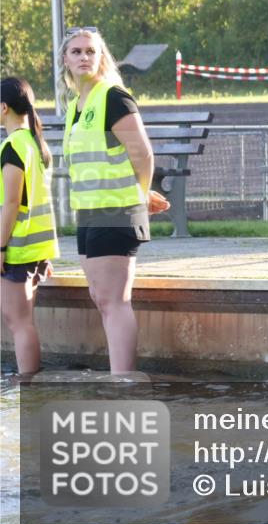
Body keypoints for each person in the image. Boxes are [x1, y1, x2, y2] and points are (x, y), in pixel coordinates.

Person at [58, 26, 169, 374]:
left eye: (91, 51)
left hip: (117, 211)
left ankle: (123, 381)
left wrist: (140, 195)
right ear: (65, 59)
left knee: (114, 301)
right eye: (76, 51)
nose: (84, 57)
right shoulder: (77, 105)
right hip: (89, 213)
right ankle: (118, 376)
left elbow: (142, 152)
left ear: (101, 56)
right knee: (101, 299)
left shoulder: (113, 97)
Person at [1, 77, 58, 376]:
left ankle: (27, 388)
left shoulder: (12, 146)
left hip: (18, 249)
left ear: (4, 108)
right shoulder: (36, 144)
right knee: (24, 321)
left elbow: (11, 204)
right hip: (36, 248)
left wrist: (0, 247)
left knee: (18, 323)